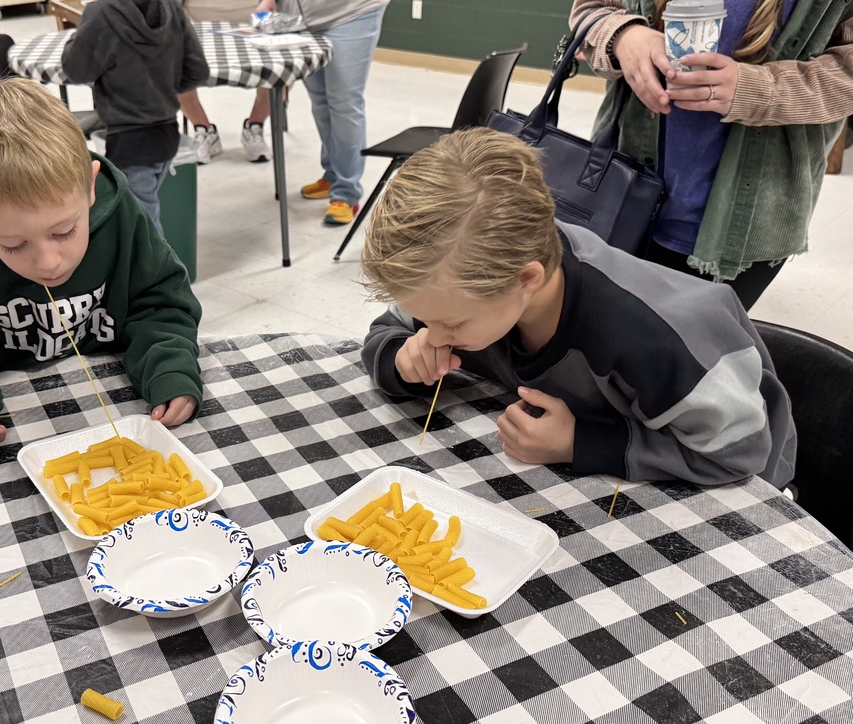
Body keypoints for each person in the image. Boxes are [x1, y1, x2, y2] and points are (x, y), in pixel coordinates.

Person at [361, 127, 796, 488]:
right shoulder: (460, 280)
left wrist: (578, 443)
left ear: (526, 279)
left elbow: (740, 457)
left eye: (450, 324)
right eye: (428, 320)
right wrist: (402, 359)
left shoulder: (651, 336)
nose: (434, 335)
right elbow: (390, 329)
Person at [0, 78, 203, 450]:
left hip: (117, 409)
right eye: (13, 244)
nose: (48, 262)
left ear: (90, 187)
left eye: (64, 231)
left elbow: (160, 304)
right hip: (12, 433)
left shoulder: (122, 218)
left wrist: (169, 366)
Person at [569, 0, 853, 310]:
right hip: (617, 193)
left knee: (690, 349)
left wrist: (759, 89)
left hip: (750, 217)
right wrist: (621, 35)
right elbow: (590, 10)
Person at [62, 0, 210, 235]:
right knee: (143, 217)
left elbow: (76, 69)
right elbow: (197, 70)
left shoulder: (101, 12)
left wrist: (76, 37)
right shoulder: (169, 8)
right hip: (165, 134)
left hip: (128, 140)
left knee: (142, 231)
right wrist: (161, 87)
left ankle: (159, 272)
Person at [265, 0, 389, 225]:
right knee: (320, 102)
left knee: (344, 102)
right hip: (301, 18)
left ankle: (347, 193)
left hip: (350, 12)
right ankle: (333, 175)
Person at [179, 0, 273, 164]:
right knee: (169, 65)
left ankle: (254, 125)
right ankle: (203, 128)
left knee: (281, 72)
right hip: (196, 17)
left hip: (255, 15)